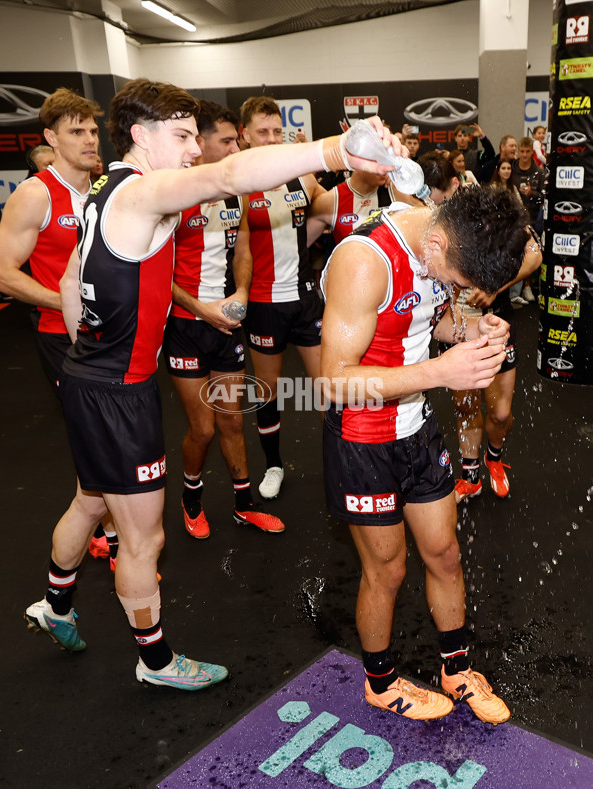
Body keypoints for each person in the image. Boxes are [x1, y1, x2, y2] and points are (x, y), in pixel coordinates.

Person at [24, 77, 400, 691]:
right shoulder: (141, 192)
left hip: (94, 379)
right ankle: (156, 661)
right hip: (118, 392)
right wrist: (336, 151)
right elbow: (230, 177)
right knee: (144, 537)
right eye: (180, 137)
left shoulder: (98, 191)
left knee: (91, 500)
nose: (194, 150)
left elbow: (70, 281)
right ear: (141, 136)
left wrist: (89, 352)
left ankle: (55, 604)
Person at [320, 184, 529, 723]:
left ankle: (455, 669)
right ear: (436, 244)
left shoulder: (438, 245)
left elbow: (427, 321)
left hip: (415, 427)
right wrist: (441, 371)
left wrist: (473, 326)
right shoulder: (364, 261)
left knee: (445, 554)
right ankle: (380, 682)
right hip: (362, 438)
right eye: (457, 282)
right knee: (386, 570)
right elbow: (332, 382)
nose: (454, 289)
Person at [163, 100, 285, 538]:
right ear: (202, 142)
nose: (238, 146)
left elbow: (245, 248)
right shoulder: (174, 192)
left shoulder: (237, 189)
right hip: (185, 325)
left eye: (238, 138)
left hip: (226, 323)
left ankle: (243, 504)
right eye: (229, 139)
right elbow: (155, 270)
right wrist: (201, 309)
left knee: (233, 419)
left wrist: (242, 294)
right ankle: (191, 498)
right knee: (204, 428)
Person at [240, 95, 326, 500]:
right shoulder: (237, 183)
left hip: (305, 297)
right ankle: (274, 465)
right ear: (245, 136)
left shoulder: (301, 176)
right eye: (263, 131)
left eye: (277, 131)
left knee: (329, 387)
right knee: (267, 390)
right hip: (262, 303)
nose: (272, 139)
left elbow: (329, 211)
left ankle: (339, 457)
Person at [0, 89, 101, 393]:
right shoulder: (35, 193)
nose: (90, 139)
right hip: (59, 333)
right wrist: (63, 303)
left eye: (92, 131)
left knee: (119, 429)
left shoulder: (103, 191)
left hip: (109, 330)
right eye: (77, 131)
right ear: (51, 138)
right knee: (87, 428)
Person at [451, 227, 542, 503]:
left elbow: (534, 257)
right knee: (466, 407)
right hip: (457, 328)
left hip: (497, 325)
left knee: (501, 414)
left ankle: (494, 457)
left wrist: (495, 288)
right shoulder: (442, 221)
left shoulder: (496, 218)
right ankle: (470, 478)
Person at [511, 138, 544, 304]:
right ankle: (511, 288)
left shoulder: (539, 172)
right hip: (513, 217)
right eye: (521, 151)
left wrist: (532, 194)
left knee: (530, 251)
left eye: (527, 151)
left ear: (532, 152)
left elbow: (544, 197)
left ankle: (527, 285)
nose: (524, 155)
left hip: (532, 217)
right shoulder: (512, 169)